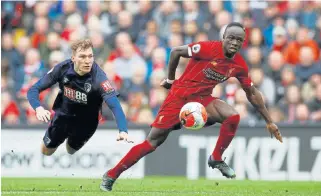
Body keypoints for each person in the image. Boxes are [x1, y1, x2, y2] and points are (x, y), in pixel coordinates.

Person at [100, 22, 283, 191]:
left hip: (203, 99)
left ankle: (216, 158)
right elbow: (176, 51)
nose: (234, 42)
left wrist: (269, 121)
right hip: (178, 96)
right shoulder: (207, 48)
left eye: (239, 40)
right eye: (231, 38)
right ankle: (111, 175)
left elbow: (252, 93)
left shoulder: (239, 65)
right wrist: (171, 79)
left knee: (233, 116)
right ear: (223, 38)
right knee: (152, 142)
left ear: (243, 43)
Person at [27, 39, 132, 156]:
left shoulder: (99, 79)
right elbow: (33, 89)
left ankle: (72, 140)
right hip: (63, 116)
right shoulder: (62, 69)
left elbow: (115, 105)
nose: (87, 61)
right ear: (73, 58)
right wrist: (38, 108)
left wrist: (123, 130)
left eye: (90, 56)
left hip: (86, 123)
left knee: (70, 150)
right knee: (46, 151)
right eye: (82, 57)